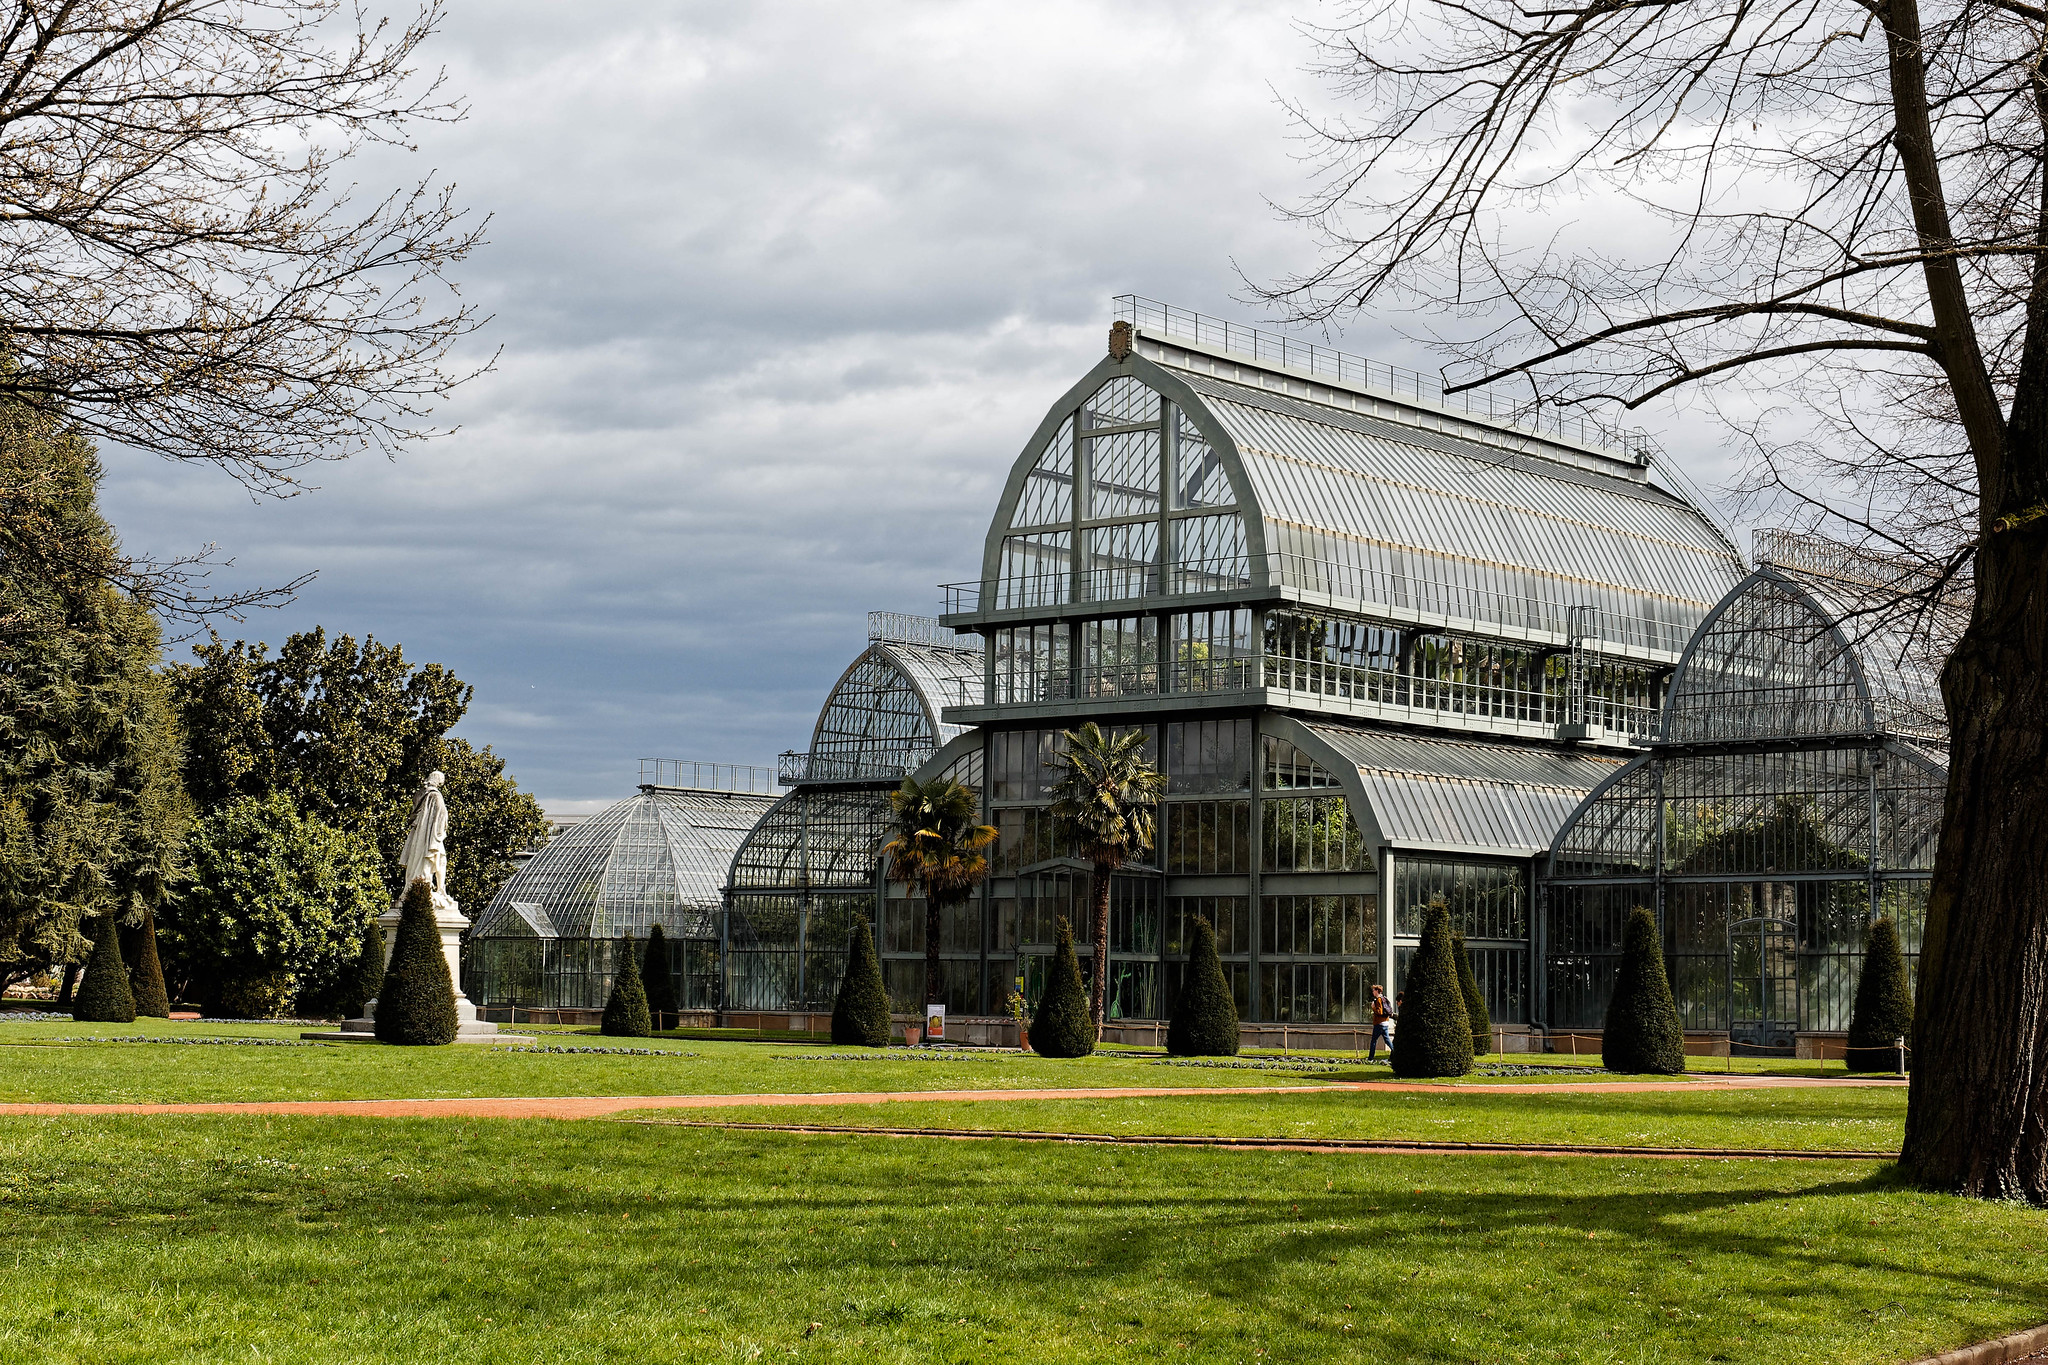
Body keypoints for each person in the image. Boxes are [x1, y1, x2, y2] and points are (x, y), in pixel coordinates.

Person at [1369, 983, 1396, 1060]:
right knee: (1387, 1040)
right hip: (1385, 1022)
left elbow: (1380, 1012)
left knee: (1373, 1040)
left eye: (1374, 990)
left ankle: (1370, 1058)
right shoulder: (1384, 998)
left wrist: (1373, 1007)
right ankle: (1396, 1053)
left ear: (1377, 991)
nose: (1373, 992)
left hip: (1379, 1023)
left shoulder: (1378, 1000)